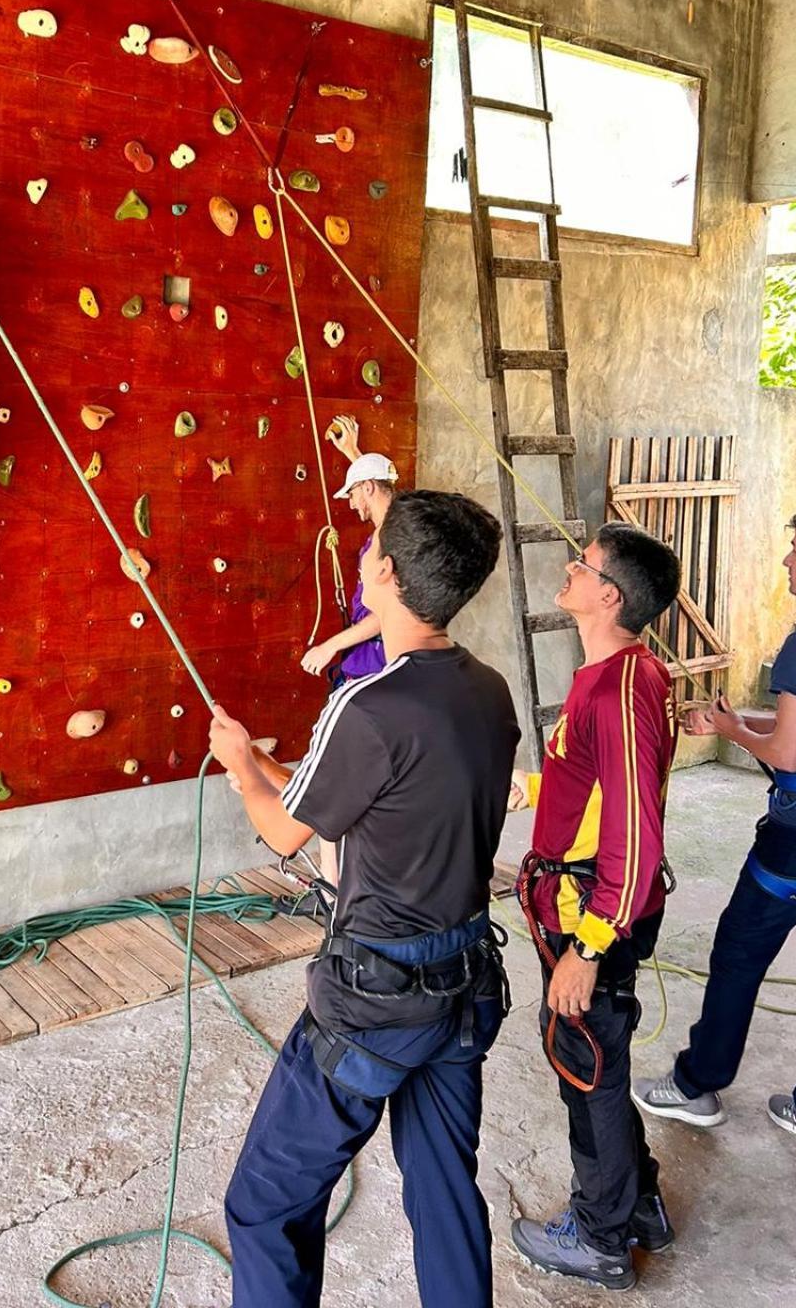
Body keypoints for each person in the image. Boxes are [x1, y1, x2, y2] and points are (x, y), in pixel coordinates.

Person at [210, 489, 520, 1308]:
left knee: (263, 1206)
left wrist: (242, 765)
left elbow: (284, 833)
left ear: (383, 570)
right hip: (460, 982)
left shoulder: (368, 703)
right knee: (446, 1192)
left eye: (370, 542)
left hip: (377, 1001)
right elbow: (353, 798)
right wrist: (272, 774)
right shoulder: (487, 690)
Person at [635, 508, 796, 1168]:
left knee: (737, 953)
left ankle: (696, 1084)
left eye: (795, 550)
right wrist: (737, 718)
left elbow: (790, 752)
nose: (788, 560)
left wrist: (734, 732)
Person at [509, 523, 681, 1292]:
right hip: (590, 905)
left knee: (590, 1073)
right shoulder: (620, 675)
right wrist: (542, 787)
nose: (570, 571)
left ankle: (601, 1233)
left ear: (607, 596)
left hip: (593, 916)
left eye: (582, 565)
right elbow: (603, 786)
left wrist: (588, 945)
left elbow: (638, 836)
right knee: (597, 1062)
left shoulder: (617, 689)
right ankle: (639, 1205)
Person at [297, 417, 398, 892]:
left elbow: (389, 614)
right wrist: (353, 451)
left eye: (355, 495)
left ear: (371, 488)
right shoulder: (395, 529)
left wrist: (331, 646)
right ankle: (338, 881)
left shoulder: (392, 539)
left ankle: (334, 886)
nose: (351, 506)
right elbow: (383, 497)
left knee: (334, 772)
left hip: (369, 664)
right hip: (368, 663)